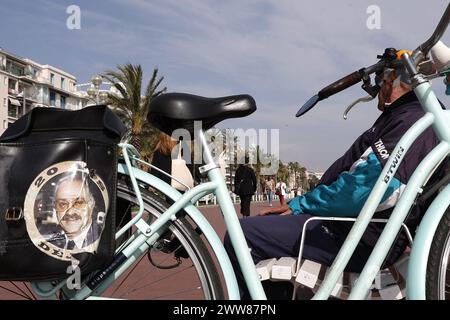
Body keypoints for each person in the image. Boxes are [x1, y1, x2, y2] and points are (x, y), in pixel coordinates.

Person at [223, 55, 448, 299]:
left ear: (392, 79)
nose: (377, 90)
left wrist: (303, 205)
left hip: (356, 234)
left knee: (242, 235)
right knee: (259, 230)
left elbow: (369, 188)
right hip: (356, 228)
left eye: (381, 81)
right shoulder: (407, 115)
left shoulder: (412, 117)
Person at [52, 173, 99, 250]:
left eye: (78, 203)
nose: (70, 212)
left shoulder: (107, 241)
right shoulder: (48, 241)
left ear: (91, 205)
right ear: (55, 208)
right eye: (62, 204)